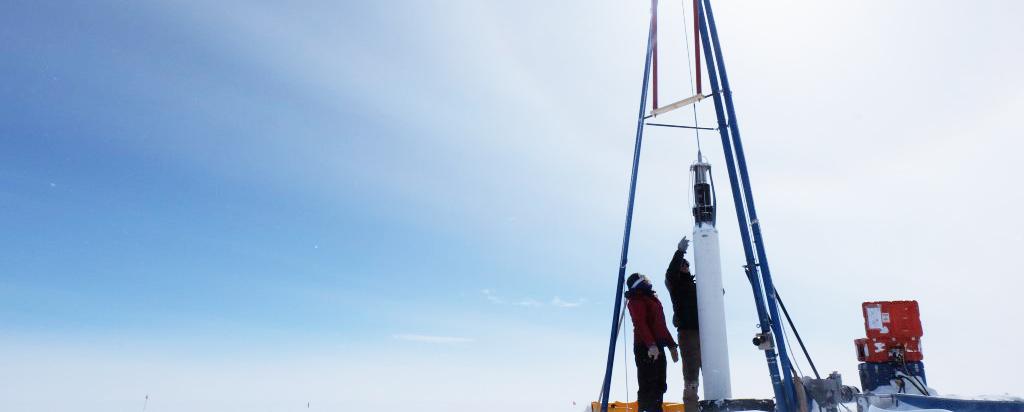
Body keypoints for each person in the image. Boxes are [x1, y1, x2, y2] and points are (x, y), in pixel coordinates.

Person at [625, 272, 679, 412]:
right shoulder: (636, 299)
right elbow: (640, 323)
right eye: (645, 278)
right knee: (649, 386)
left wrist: (671, 345)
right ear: (639, 282)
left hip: (658, 346)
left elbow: (660, 326)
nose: (649, 280)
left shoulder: (651, 299)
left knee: (660, 384)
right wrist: (651, 345)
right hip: (646, 348)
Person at [665, 236, 702, 412]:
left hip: (706, 331)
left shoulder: (697, 286)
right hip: (688, 333)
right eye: (682, 265)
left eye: (687, 265)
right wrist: (680, 252)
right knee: (691, 374)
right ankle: (692, 408)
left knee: (711, 371)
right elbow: (670, 274)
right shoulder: (676, 285)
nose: (685, 267)